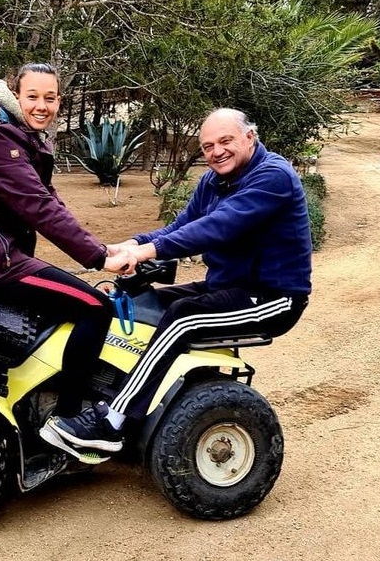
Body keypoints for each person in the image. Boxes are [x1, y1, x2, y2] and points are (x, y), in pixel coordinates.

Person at [40, 107, 313, 462]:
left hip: (273, 296)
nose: (216, 151)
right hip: (228, 286)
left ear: (250, 137)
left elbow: (217, 226)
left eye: (225, 141)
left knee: (183, 317)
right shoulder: (213, 180)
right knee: (140, 304)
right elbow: (181, 226)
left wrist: (146, 251)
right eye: (207, 146)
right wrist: (132, 245)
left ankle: (113, 422)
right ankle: (107, 393)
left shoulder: (273, 176)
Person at [0, 63, 135, 432]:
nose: (42, 105)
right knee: (94, 307)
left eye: (50, 98)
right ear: (15, 96)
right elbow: (39, 208)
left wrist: (102, 247)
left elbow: (49, 201)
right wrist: (99, 257)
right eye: (33, 97)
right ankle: (70, 416)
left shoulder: (17, 136)